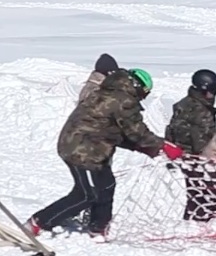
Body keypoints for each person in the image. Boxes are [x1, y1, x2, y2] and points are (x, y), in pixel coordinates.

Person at [27, 68, 182, 237]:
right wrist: (163, 145)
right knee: (87, 194)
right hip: (81, 149)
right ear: (137, 86)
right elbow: (137, 132)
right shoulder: (123, 99)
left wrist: (148, 149)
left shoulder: (110, 92)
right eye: (144, 93)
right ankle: (39, 222)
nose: (142, 98)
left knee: (106, 185)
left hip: (93, 148)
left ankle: (98, 227)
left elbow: (115, 133)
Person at [166, 69, 216, 222]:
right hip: (192, 159)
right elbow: (202, 143)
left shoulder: (186, 103)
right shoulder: (201, 111)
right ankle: (199, 216)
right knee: (202, 187)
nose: (213, 95)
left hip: (180, 154)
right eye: (211, 91)